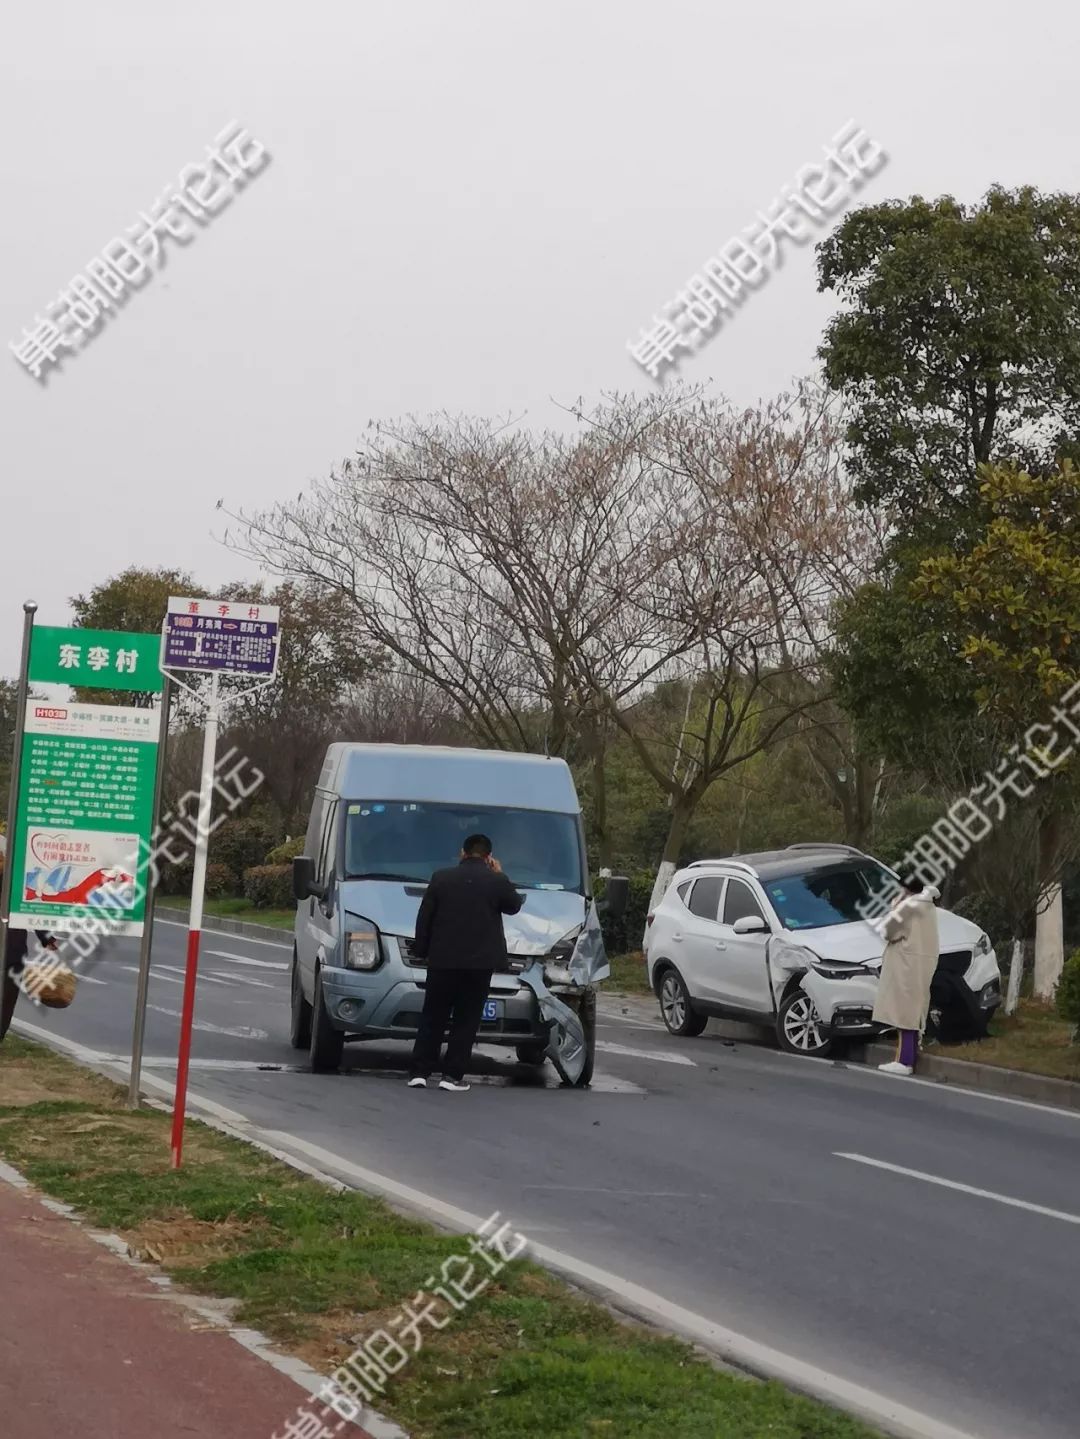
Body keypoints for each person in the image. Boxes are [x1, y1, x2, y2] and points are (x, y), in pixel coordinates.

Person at [407, 833, 523, 1092]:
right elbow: (514, 905)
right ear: (488, 857)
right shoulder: (495, 881)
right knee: (466, 1020)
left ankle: (420, 1072)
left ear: (463, 852)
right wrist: (501, 874)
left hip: (442, 961)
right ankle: (452, 1076)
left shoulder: (441, 878)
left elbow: (424, 918)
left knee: (433, 1016)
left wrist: (422, 951)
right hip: (478, 966)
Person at [872, 874, 940, 1076]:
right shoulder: (928, 906)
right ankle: (908, 1056)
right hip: (922, 962)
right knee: (913, 1010)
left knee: (904, 1014)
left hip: (905, 963)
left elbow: (888, 931)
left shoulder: (908, 906)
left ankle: (904, 1061)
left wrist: (895, 905)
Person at [1, 924, 60, 1042]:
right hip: (13, 951)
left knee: (7, 1000)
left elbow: (27, 910)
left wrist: (46, 937)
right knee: (7, 1000)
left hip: (13, 953)